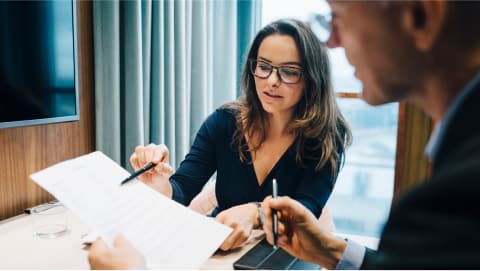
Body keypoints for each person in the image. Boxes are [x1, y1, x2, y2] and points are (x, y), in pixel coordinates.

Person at [88, 18, 351, 269]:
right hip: (221, 251)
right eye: (264, 66)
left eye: (289, 72)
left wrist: (256, 213)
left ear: (313, 79)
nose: (272, 80)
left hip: (281, 257)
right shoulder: (223, 123)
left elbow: (308, 208)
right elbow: (183, 188)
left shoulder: (326, 136)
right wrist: (162, 187)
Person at [260, 1, 480, 269]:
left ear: (421, 17)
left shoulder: (452, 200)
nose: (331, 41)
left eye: (338, 18)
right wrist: (329, 250)